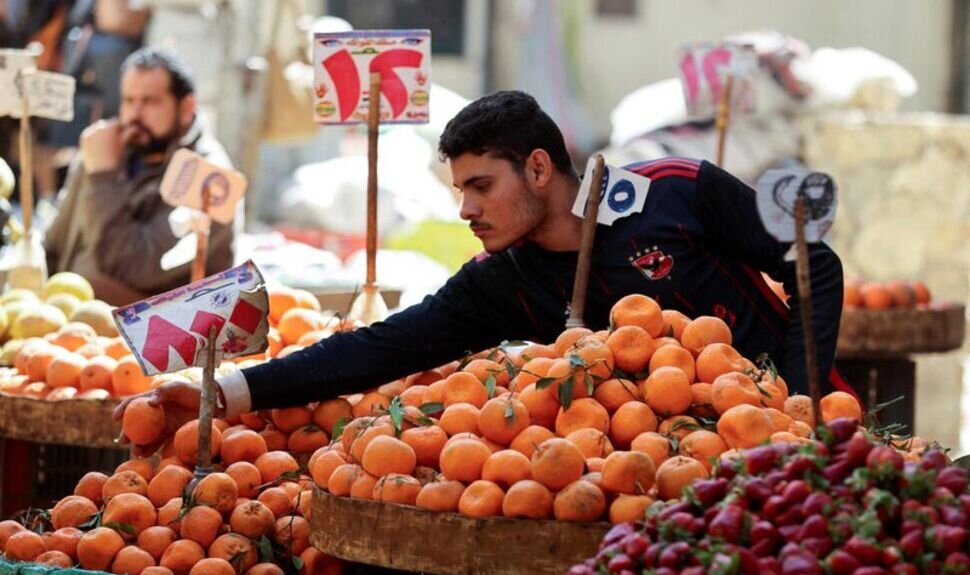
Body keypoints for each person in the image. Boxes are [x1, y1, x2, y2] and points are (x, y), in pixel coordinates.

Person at [116, 90, 844, 436]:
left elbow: (816, 262)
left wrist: (803, 398)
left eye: (478, 185)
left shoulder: (677, 191)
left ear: (536, 168)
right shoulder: (506, 279)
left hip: (794, 440)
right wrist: (222, 391)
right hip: (656, 471)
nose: (465, 209)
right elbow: (377, 348)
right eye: (458, 189)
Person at [44, 46, 236, 305]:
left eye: (149, 102)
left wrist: (103, 178)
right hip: (69, 320)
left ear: (186, 107)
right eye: (128, 100)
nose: (134, 115)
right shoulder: (106, 150)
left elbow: (135, 268)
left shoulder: (210, 176)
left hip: (156, 335)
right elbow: (56, 243)